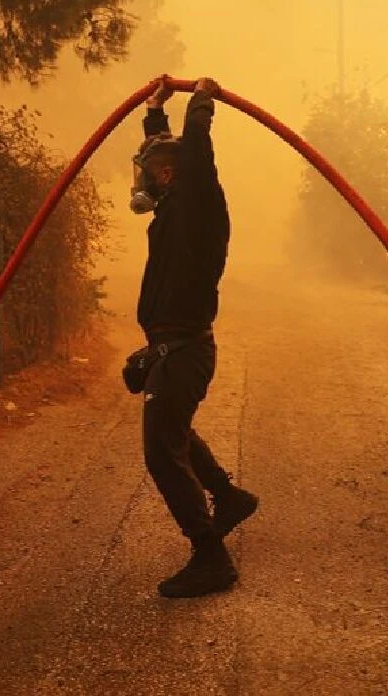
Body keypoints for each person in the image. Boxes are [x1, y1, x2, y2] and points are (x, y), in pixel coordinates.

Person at [127, 76, 259, 598]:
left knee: (162, 450)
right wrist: (155, 113)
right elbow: (172, 157)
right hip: (172, 347)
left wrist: (200, 104)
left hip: (186, 351)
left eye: (151, 172)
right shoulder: (177, 209)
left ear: (168, 174)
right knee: (173, 431)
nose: (144, 182)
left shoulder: (199, 202)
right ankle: (227, 497)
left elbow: (194, 158)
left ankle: (211, 558)